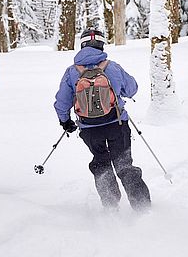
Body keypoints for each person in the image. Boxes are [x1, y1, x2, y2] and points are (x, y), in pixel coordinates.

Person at [54, 28, 151, 212]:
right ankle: (143, 208)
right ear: (101, 45)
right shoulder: (112, 67)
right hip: (117, 124)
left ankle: (111, 207)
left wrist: (65, 121)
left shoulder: (71, 72)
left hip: (89, 129)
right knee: (124, 164)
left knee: (101, 163)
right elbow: (132, 89)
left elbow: (62, 102)